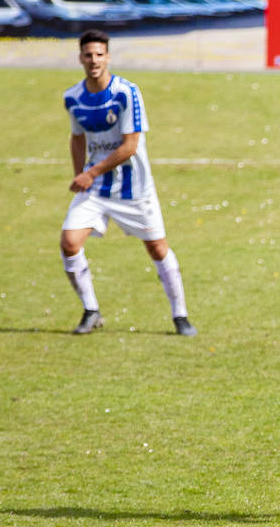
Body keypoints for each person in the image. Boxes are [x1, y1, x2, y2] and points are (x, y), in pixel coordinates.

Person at [59, 29, 196, 336]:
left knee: (158, 249)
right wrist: (80, 173)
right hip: (95, 189)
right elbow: (77, 137)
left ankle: (180, 315)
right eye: (87, 55)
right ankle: (91, 310)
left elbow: (129, 146)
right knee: (69, 243)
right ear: (80, 58)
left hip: (134, 189)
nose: (93, 60)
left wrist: (90, 172)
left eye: (98, 54)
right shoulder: (73, 98)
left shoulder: (126, 93)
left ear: (107, 57)